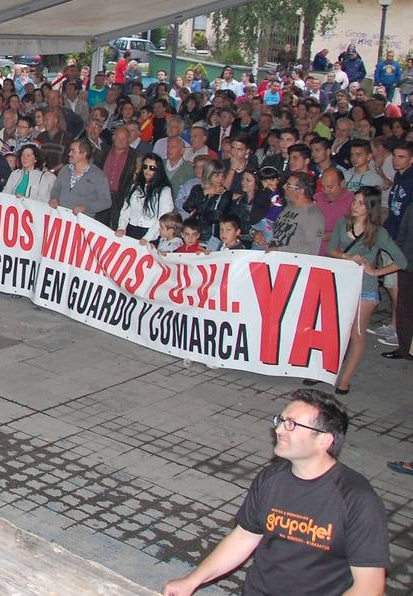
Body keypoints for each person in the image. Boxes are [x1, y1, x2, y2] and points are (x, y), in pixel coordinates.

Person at [161, 389, 387, 596]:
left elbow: (369, 587)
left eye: (292, 425)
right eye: (281, 420)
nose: (279, 429)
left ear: (324, 441)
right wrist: (192, 580)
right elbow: (244, 537)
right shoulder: (271, 478)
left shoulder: (357, 499)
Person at [329, 187, 407, 393]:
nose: (355, 205)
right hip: (342, 285)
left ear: (370, 207)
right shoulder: (342, 223)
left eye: (361, 203)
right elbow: (331, 250)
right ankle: (329, 371)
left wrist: (375, 272)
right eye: (354, 201)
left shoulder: (378, 232)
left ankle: (345, 379)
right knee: (337, 330)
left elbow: (401, 261)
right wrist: (347, 257)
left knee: (357, 333)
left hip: (365, 289)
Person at [258, 172, 324, 254]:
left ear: (300, 190)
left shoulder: (313, 214)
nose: (284, 187)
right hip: (275, 259)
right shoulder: (288, 207)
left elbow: (312, 249)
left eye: (288, 185)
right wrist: (256, 233)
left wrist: (280, 250)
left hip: (291, 263)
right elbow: (274, 231)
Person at [49, 138, 112, 218]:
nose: (69, 153)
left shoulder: (98, 175)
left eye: (73, 151)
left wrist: (86, 207)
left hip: (82, 222)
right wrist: (54, 198)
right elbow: (56, 189)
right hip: (60, 218)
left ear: (84, 154)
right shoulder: (65, 169)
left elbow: (106, 202)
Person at [117, 155, 174, 241]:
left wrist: (147, 238)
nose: (147, 170)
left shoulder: (164, 191)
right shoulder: (135, 187)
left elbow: (163, 218)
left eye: (152, 168)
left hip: (151, 232)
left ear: (158, 170)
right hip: (130, 229)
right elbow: (125, 210)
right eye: (145, 167)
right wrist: (121, 227)